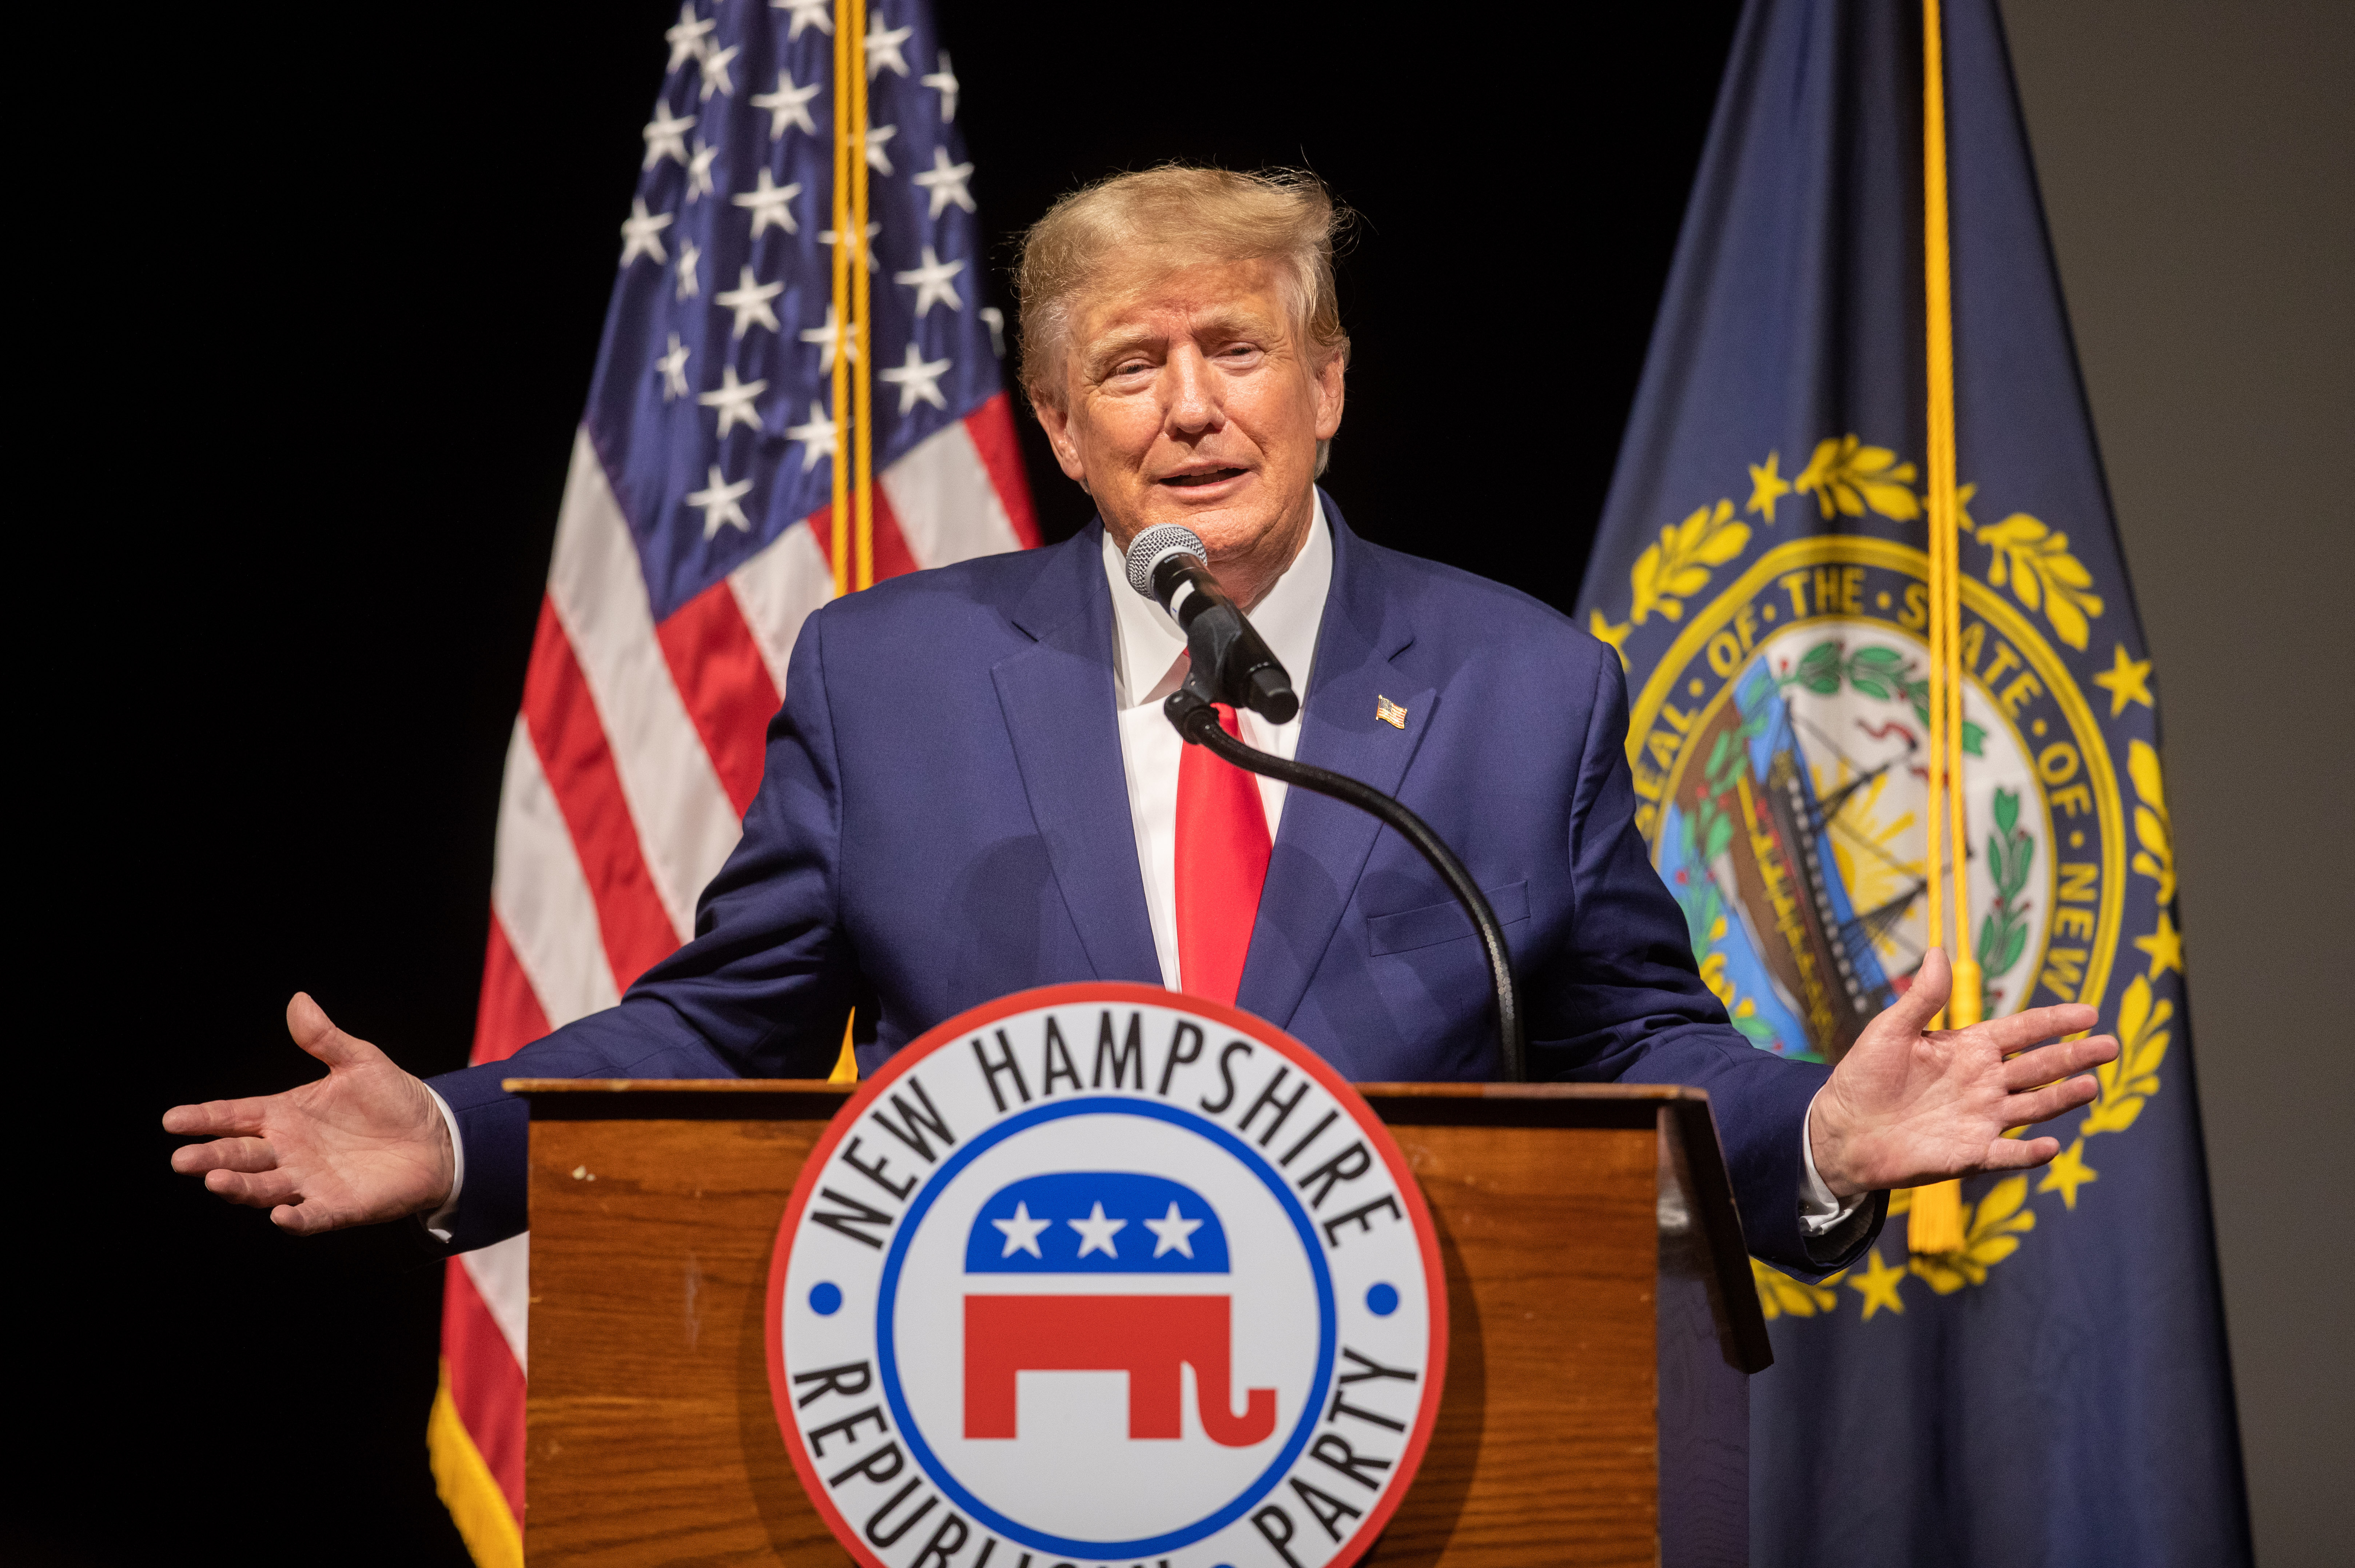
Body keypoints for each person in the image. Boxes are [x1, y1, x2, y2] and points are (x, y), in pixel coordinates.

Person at [165, 167, 2117, 1273]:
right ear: (1064, 424)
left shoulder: (1530, 683)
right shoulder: (889, 674)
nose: (1190, 406)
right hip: (987, 1417)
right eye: (1132, 364)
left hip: (1410, 1445)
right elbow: (723, 1025)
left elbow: (1631, 1039)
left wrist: (1827, 1135)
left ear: (1328, 383)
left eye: (1236, 347)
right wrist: (456, 1123)